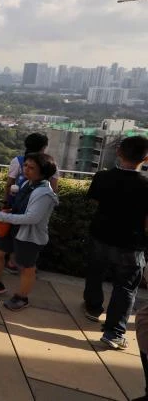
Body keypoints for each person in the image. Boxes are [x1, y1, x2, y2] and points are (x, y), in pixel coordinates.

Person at [82, 136, 148, 350]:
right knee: (125, 287)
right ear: (145, 158)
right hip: (131, 242)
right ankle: (114, 332)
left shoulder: (102, 177)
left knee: (95, 271)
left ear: (118, 152)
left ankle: (92, 307)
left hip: (100, 234)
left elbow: (94, 202)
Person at [0, 153, 59, 311]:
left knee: (26, 267)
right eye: (25, 166)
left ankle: (22, 298)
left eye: (31, 167)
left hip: (29, 236)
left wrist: (4, 217)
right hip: (15, 229)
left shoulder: (44, 193)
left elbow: (32, 218)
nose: (26, 169)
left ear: (43, 172)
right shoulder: (28, 184)